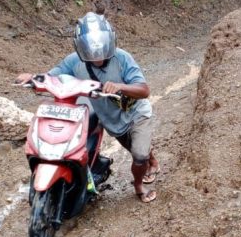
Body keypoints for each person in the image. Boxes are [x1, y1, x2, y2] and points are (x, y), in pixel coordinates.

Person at [16, 12, 159, 203]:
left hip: (135, 114)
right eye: (90, 50)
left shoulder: (123, 58)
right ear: (81, 46)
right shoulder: (74, 61)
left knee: (139, 154)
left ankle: (139, 186)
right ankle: (152, 161)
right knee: (134, 147)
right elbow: (54, 76)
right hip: (111, 120)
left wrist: (120, 86)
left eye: (100, 48)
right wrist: (33, 78)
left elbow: (144, 90)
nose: (97, 55)